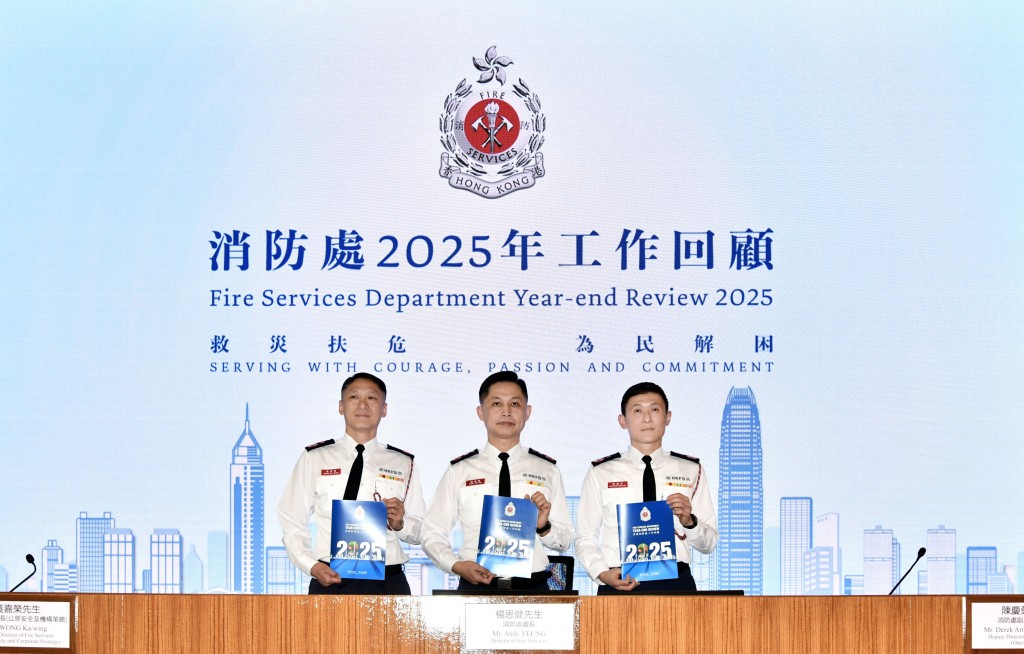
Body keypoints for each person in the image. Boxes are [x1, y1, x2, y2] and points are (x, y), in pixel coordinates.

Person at [421, 371, 573, 591]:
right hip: (475, 586)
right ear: (480, 412)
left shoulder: (547, 469)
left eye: (515, 404)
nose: (506, 412)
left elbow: (565, 540)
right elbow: (431, 532)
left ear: (528, 412)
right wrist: (456, 565)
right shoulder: (460, 470)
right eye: (496, 404)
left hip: (533, 588)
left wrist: (544, 527)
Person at [277, 373, 425, 594]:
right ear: (341, 406)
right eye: (354, 397)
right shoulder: (315, 457)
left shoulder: (403, 462)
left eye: (372, 398)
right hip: (330, 577)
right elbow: (292, 519)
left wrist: (400, 523)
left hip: (388, 581)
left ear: (384, 409)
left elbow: (421, 530)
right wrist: (311, 565)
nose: (363, 405)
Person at [574, 381, 718, 593]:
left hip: (676, 583)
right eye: (637, 411)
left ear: (668, 417)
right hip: (620, 580)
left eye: (655, 409)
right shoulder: (601, 472)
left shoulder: (690, 470)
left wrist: (689, 521)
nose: (647, 418)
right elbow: (585, 537)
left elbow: (709, 544)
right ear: (623, 421)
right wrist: (602, 573)